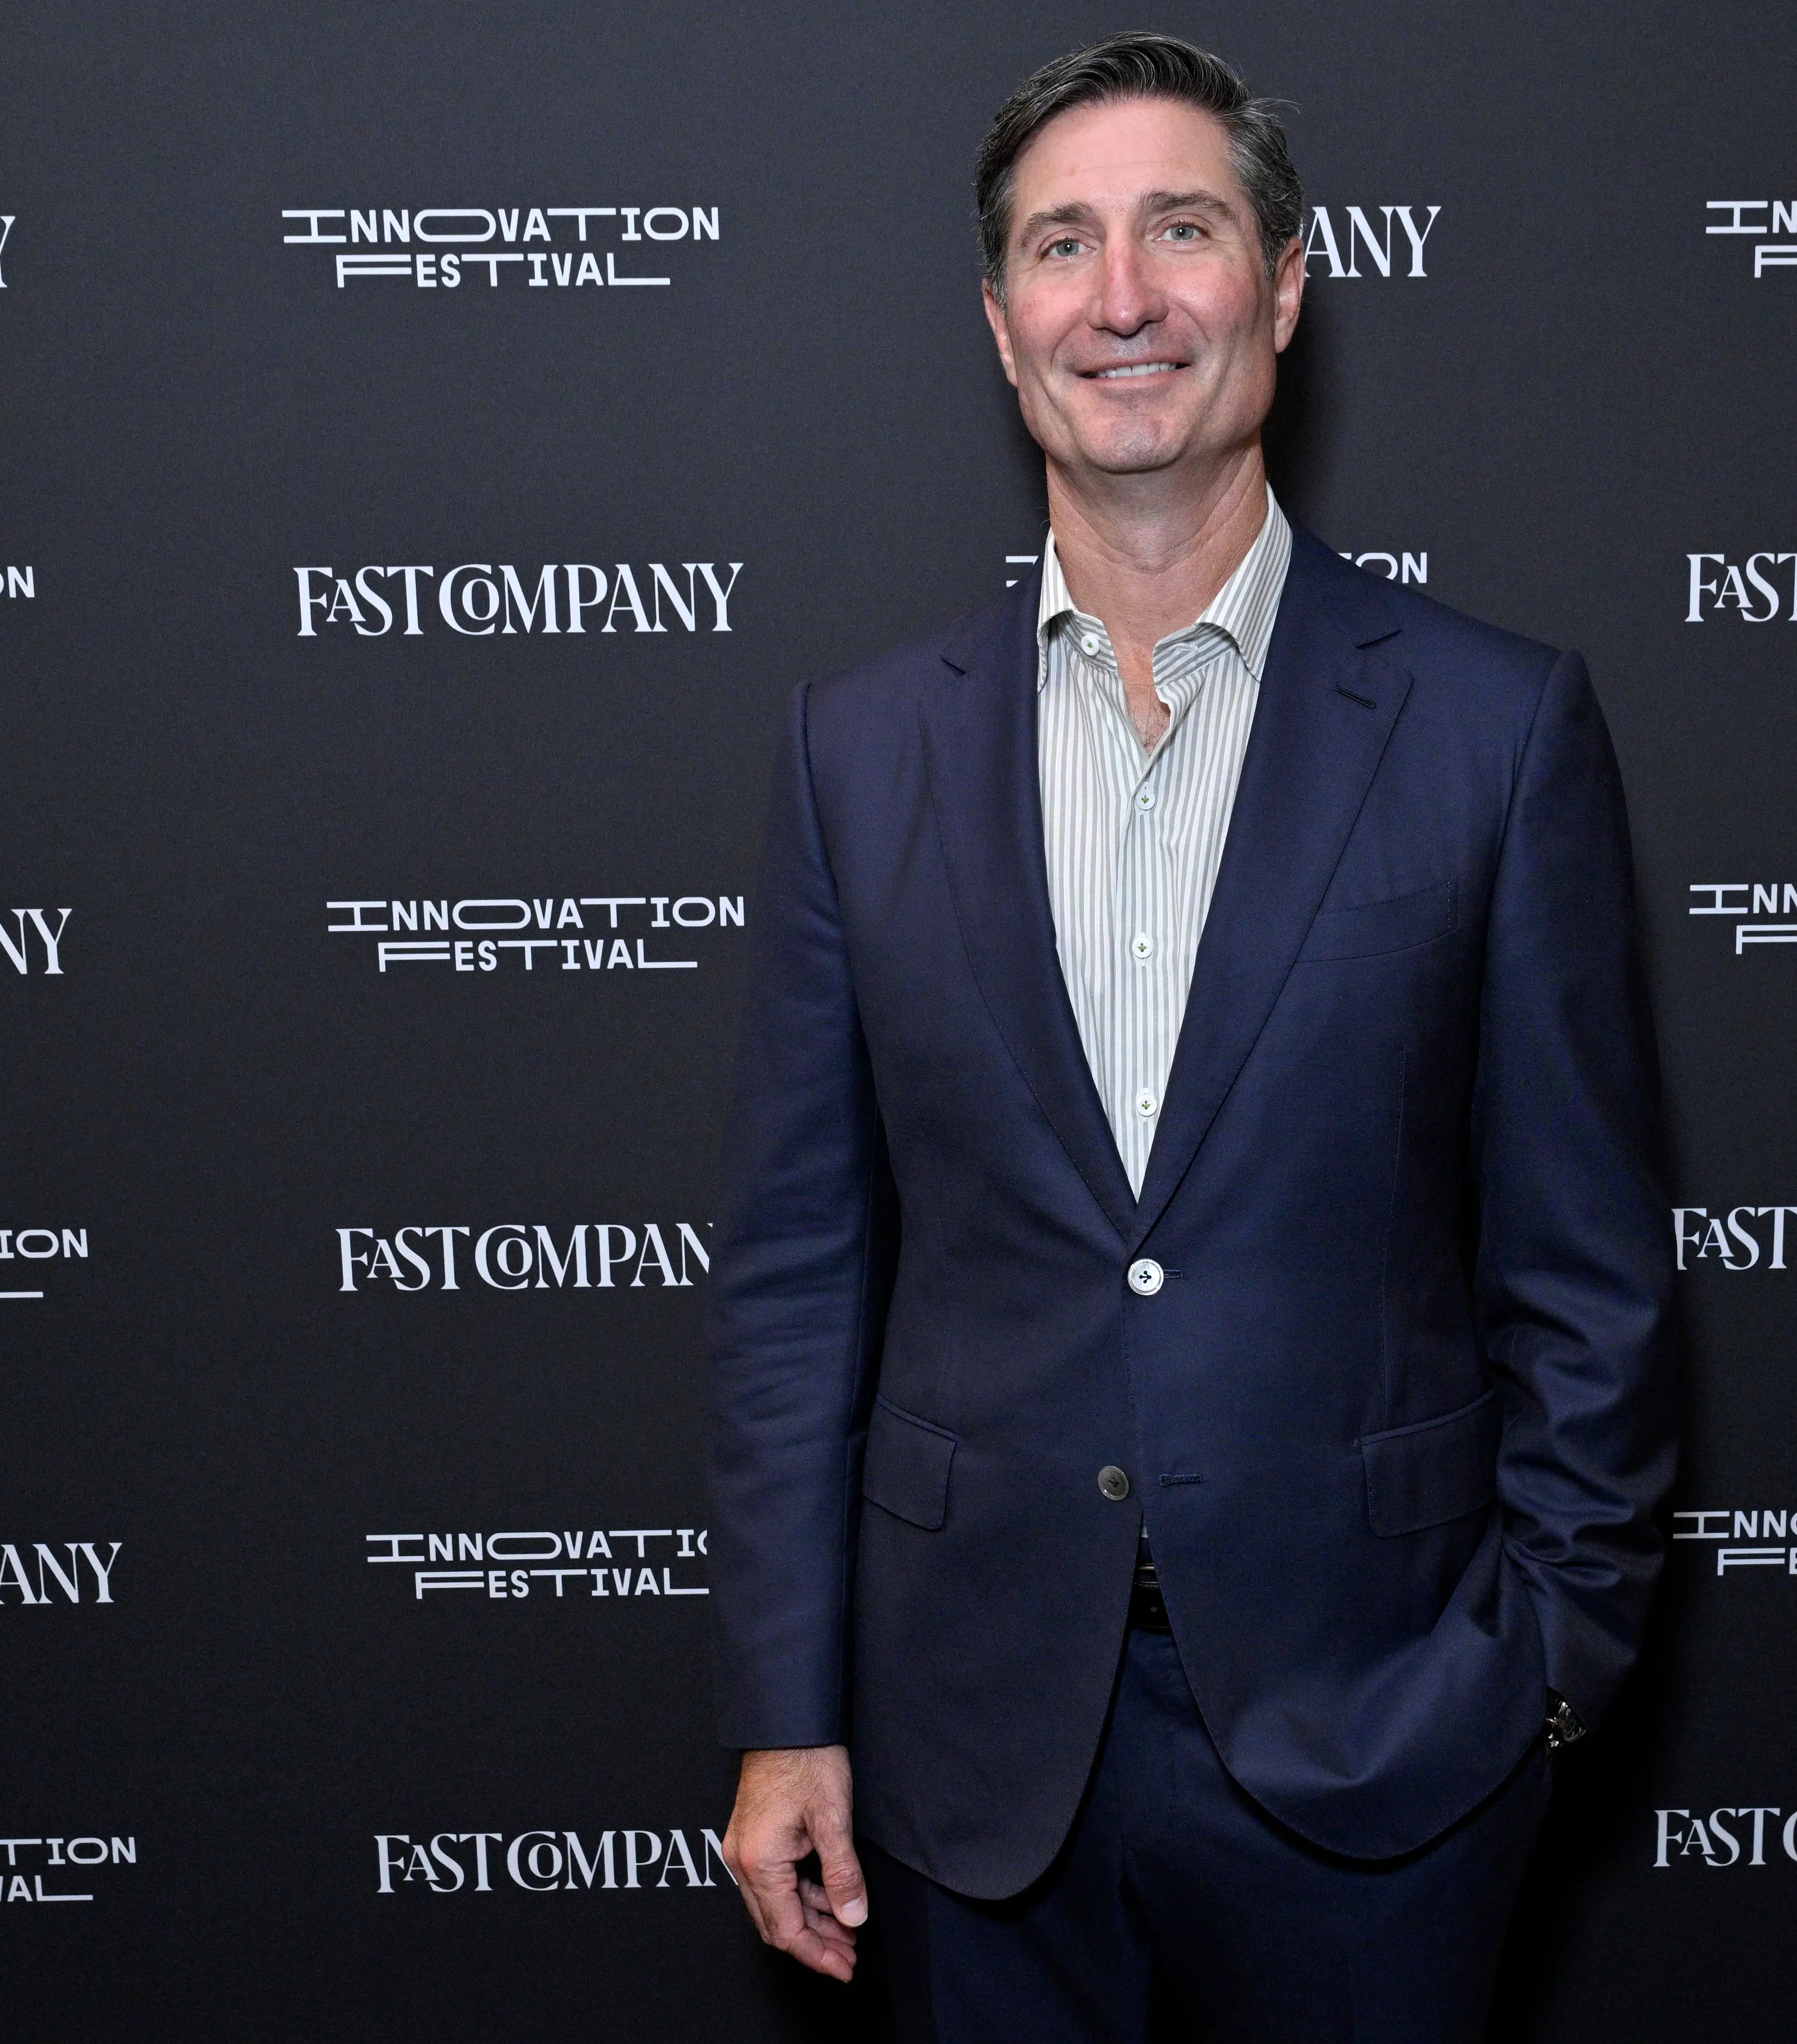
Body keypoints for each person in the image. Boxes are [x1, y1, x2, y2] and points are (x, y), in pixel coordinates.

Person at [707, 32, 1674, 2042]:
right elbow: (801, 1280)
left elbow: (1585, 1275)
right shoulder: (857, 748)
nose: (1122, 296)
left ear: (1287, 285)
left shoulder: (1495, 735)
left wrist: (1542, 1676)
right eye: (1063, 246)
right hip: (971, 1767)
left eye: (1181, 230)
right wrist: (790, 1714)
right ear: (999, 325)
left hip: (1384, 1756)